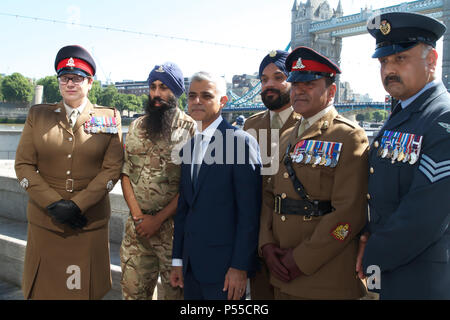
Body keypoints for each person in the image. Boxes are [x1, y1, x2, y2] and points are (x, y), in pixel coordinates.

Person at [258, 46, 369, 299]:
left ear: (331, 91)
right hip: (281, 274)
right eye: (296, 83)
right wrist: (266, 244)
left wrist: (300, 259)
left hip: (324, 279)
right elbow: (269, 195)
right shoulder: (287, 135)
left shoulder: (348, 136)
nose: (299, 90)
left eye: (309, 84)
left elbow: (348, 216)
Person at [14, 45, 124, 299]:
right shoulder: (38, 115)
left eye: (77, 78)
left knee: (85, 291)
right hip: (46, 222)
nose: (70, 83)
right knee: (46, 291)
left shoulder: (108, 118)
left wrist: (77, 205)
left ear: (90, 82)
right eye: (65, 78)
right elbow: (24, 165)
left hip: (88, 222)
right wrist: (53, 203)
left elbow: (111, 169)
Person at [356, 12, 450, 299]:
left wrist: (371, 254)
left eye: (401, 58)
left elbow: (425, 215)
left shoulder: (443, 118)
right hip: (391, 270)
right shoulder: (404, 113)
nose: (389, 69)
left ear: (432, 60)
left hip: (423, 277)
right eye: (384, 61)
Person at [169, 71, 262, 300]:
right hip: (191, 270)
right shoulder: (188, 147)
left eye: (206, 96)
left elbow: (249, 213)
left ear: (223, 101)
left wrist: (240, 267)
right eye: (192, 96)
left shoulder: (240, 142)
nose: (197, 101)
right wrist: (178, 260)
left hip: (225, 272)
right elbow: (184, 210)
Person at [119, 62, 195, 300]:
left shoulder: (191, 130)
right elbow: (125, 174)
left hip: (173, 236)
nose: (156, 94)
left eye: (164, 87)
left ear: (176, 92)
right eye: (153, 87)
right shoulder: (136, 126)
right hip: (137, 233)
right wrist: (140, 218)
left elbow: (192, 186)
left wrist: (157, 220)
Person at [243, 49, 300, 300]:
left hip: (296, 244)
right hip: (257, 242)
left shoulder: (307, 123)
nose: (270, 85)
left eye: (278, 77)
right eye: (264, 80)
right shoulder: (250, 126)